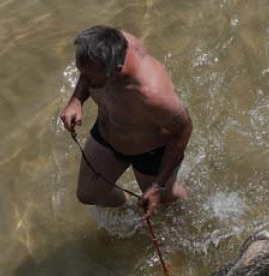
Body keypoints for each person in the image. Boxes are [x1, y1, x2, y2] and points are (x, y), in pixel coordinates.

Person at [60, 25, 191, 219]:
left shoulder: (151, 94)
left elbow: (183, 130)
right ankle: (126, 208)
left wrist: (157, 186)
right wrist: (76, 100)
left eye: (89, 76)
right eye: (82, 72)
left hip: (150, 152)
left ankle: (188, 211)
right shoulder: (105, 48)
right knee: (89, 194)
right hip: (107, 135)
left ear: (116, 70)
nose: (83, 78)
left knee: (165, 199)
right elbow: (87, 70)